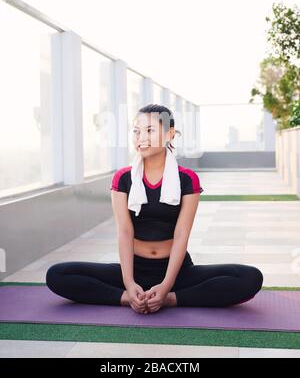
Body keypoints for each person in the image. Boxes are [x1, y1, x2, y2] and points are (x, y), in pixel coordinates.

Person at [46, 104, 263, 314]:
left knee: (250, 278)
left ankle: (172, 300)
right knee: (57, 274)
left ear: (169, 134)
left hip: (177, 271)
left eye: (149, 130)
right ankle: (125, 298)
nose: (141, 137)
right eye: (136, 131)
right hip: (134, 267)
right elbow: (125, 232)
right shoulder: (123, 178)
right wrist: (128, 284)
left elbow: (181, 235)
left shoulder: (186, 179)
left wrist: (167, 286)